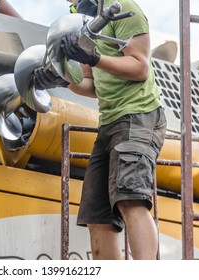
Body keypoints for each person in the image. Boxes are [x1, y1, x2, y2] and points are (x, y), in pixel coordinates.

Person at [33, 0, 167, 260]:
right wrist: (61, 79)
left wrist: (94, 57)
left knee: (130, 199)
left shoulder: (124, 7)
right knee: (97, 216)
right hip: (109, 123)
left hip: (138, 115)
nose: (69, 1)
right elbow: (90, 85)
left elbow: (140, 67)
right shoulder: (85, 23)